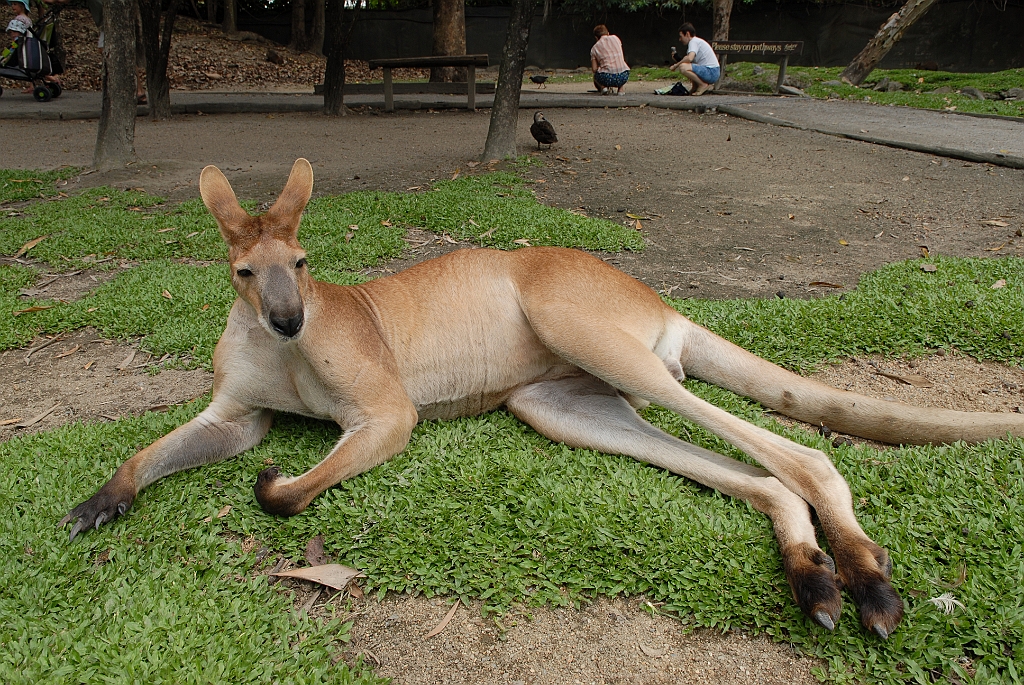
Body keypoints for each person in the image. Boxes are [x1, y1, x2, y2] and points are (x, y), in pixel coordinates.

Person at [670, 22, 720, 96]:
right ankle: (695, 86)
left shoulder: (693, 42)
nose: (680, 39)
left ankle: (702, 85)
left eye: (681, 36)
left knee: (683, 67)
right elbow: (689, 62)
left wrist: (676, 65)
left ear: (687, 34)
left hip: (712, 72)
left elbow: (689, 58)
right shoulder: (696, 42)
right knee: (686, 66)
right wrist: (677, 58)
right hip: (712, 72)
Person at [590, 24, 629, 96]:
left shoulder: (594, 48)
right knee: (621, 65)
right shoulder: (616, 38)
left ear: (596, 37)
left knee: (596, 74)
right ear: (608, 33)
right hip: (623, 76)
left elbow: (594, 69)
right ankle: (620, 89)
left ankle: (603, 87)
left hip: (606, 78)